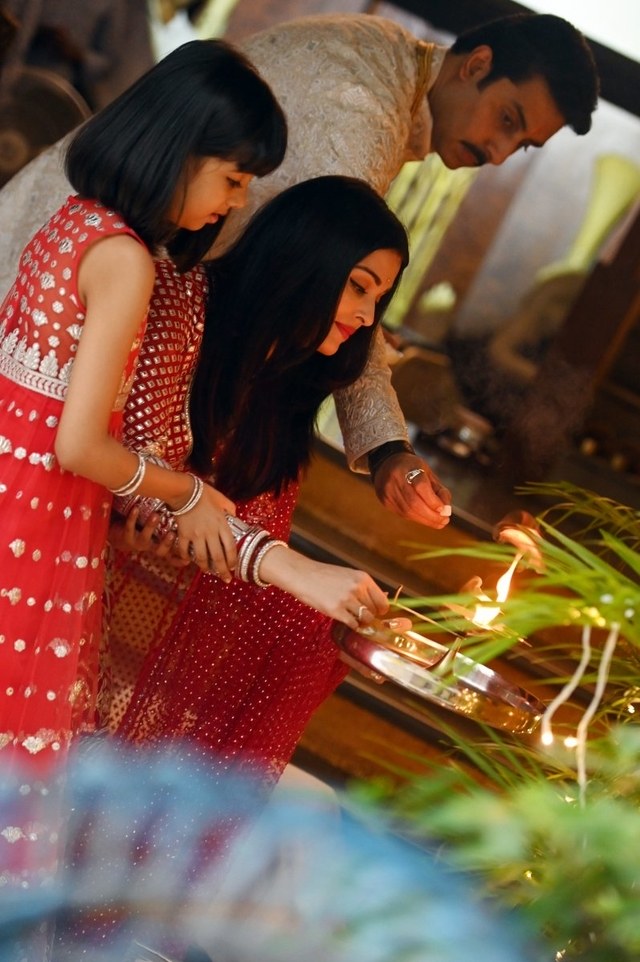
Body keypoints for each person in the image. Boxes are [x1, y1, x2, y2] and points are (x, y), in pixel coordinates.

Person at [0, 11, 599, 532]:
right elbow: (329, 278)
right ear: (477, 65)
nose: (497, 153)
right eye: (508, 120)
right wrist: (387, 446)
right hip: (62, 293)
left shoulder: (388, 62)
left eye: (519, 146)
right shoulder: (362, 101)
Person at [0, 39, 291, 910]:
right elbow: (81, 445)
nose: (235, 203)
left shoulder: (71, 223)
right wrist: (188, 491)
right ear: (179, 148)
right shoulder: (123, 257)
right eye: (234, 178)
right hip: (34, 526)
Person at [102, 176, 409, 790]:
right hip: (73, 602)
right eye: (358, 286)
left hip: (142, 642)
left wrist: (346, 628)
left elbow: (235, 561)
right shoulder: (182, 304)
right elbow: (138, 480)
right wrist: (297, 573)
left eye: (378, 299)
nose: (366, 316)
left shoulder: (287, 380)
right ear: (304, 256)